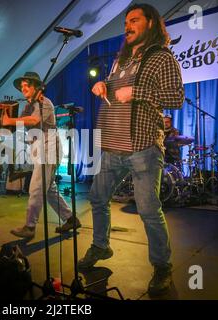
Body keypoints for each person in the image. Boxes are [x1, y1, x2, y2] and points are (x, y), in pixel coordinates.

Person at [78, 3, 184, 297]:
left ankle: (162, 267)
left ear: (150, 23)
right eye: (126, 21)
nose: (128, 25)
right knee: (97, 197)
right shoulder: (119, 60)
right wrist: (102, 86)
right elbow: (115, 91)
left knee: (149, 211)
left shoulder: (162, 57)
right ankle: (101, 246)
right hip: (113, 145)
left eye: (134, 19)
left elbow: (176, 97)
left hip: (143, 148)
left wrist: (138, 92)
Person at [2, 71, 81, 238]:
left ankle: (30, 227)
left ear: (36, 86)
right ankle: (70, 219)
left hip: (49, 149)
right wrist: (3, 123)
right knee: (50, 190)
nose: (23, 89)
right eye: (21, 86)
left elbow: (33, 120)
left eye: (26, 85)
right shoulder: (27, 106)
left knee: (36, 187)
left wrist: (9, 121)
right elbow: (22, 122)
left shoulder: (44, 102)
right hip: (40, 149)